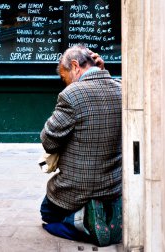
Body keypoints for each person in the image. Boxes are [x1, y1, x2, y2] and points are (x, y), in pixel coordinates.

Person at [39, 44, 122, 247]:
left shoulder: (72, 95)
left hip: (78, 189)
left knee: (47, 213)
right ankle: (103, 215)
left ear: (75, 66)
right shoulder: (121, 89)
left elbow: (48, 140)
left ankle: (82, 222)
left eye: (63, 77)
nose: (64, 83)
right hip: (113, 186)